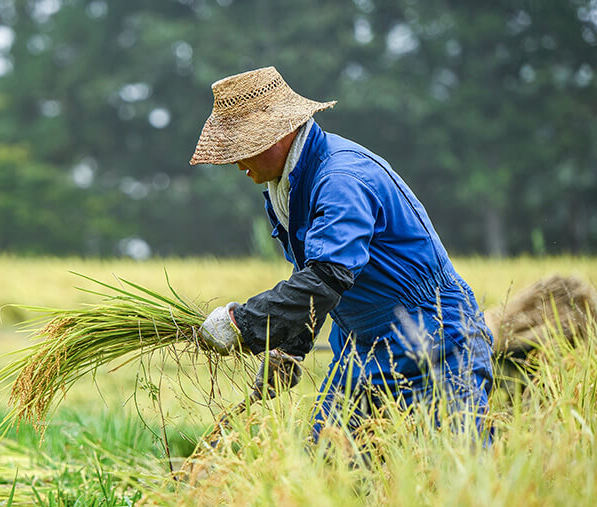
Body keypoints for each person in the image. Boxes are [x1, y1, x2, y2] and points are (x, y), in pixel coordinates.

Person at [191, 66, 493, 441]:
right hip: (360, 348)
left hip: (434, 339)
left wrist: (244, 323)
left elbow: (327, 276)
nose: (237, 163)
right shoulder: (285, 188)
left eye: (242, 150)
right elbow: (315, 280)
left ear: (279, 134)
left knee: (450, 476)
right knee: (330, 475)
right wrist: (289, 349)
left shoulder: (340, 179)